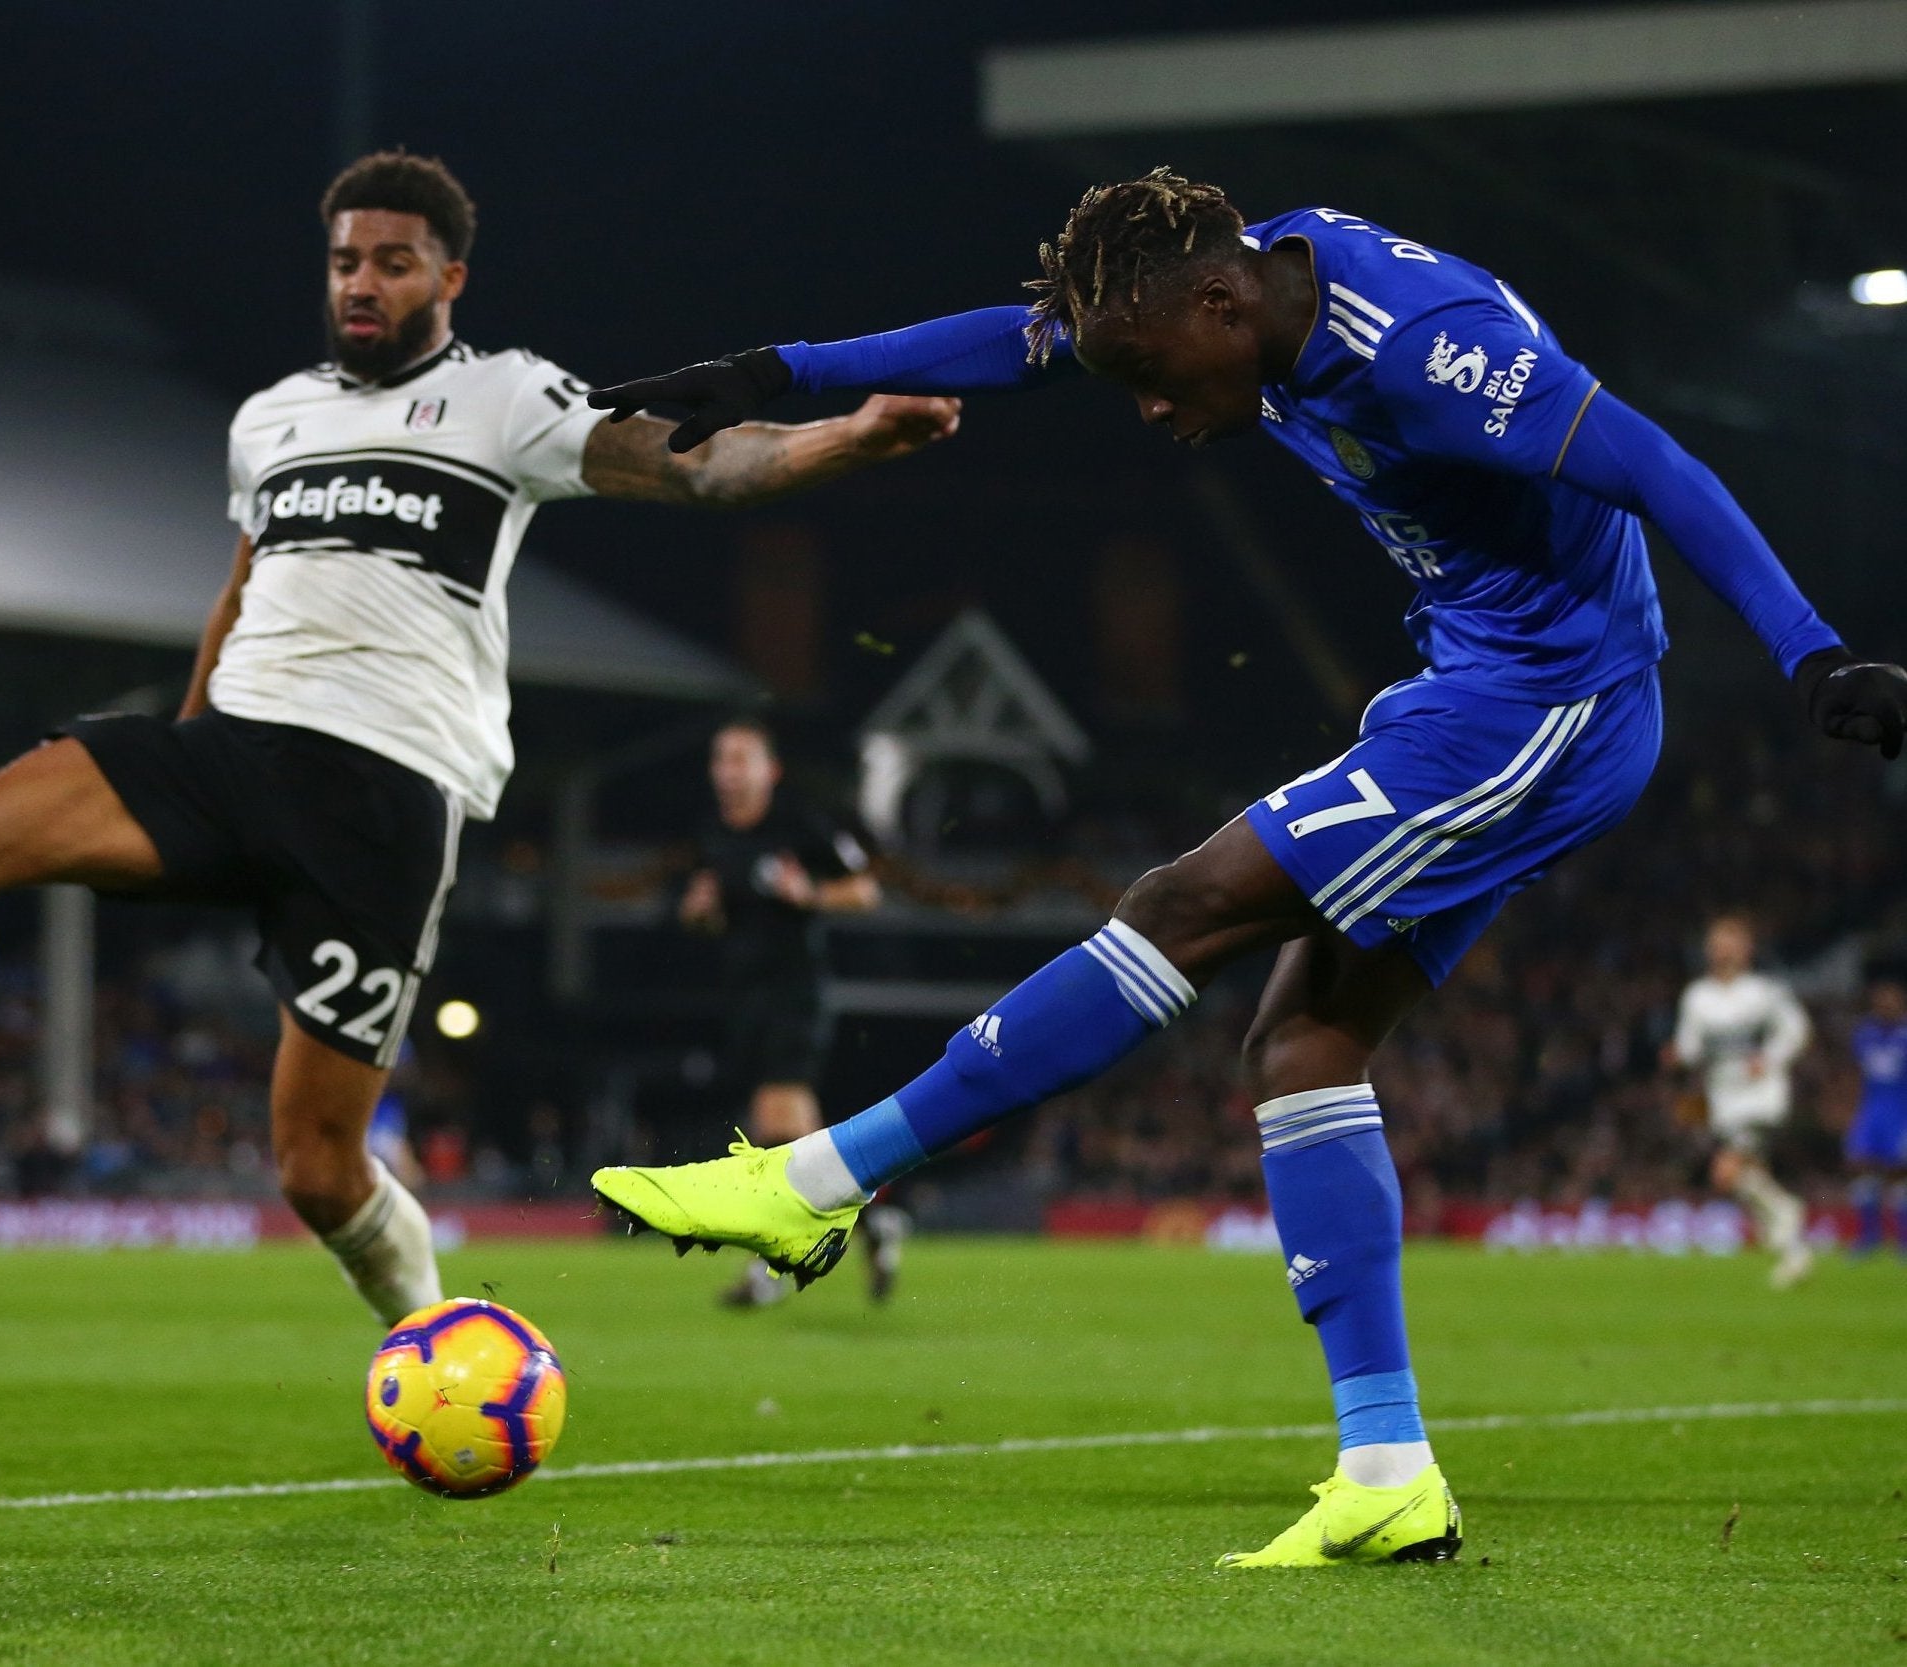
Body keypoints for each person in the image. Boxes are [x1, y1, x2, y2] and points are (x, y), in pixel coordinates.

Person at [584, 167, 1907, 1568]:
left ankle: (817, 1182)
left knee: (1181, 902)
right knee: (1301, 1046)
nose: (1150, 411)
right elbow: (1016, 340)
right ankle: (1387, 1466)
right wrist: (767, 370)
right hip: (1473, 677)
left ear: (1217, 303)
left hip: (1545, 704)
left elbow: (1650, 463)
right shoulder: (1237, 284)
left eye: (1151, 375)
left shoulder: (1425, 354)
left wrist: (1808, 650)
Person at [0, 150, 960, 1324]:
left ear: (448, 276)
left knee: (314, 1164)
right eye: (345, 258)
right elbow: (241, 586)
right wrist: (188, 752)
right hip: (236, 746)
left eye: (392, 260)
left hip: (385, 792)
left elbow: (692, 464)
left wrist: (845, 438)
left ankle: (435, 1333)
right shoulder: (271, 418)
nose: (362, 280)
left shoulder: (504, 398)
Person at [678, 717, 899, 1306]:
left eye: (741, 759)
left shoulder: (798, 826)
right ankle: (875, 1222)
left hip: (795, 993)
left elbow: (865, 891)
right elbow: (716, 912)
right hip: (744, 998)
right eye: (721, 759)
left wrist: (813, 894)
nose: (729, 771)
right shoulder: (714, 834)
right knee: (795, 1139)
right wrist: (701, 910)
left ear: (769, 771)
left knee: (775, 1136)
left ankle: (770, 1269)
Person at [1665, 914, 1813, 1287]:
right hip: (1723, 1099)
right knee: (1748, 1179)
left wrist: (1771, 1058)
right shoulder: (1697, 996)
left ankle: (1787, 1218)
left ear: (1747, 950)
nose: (1723, 950)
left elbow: (1797, 1030)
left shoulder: (1765, 992)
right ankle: (1791, 1248)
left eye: (1731, 942)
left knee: (1725, 1172)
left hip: (1762, 1096)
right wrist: (1677, 1056)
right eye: (1717, 943)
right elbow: (1691, 1046)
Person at [1844, 968, 1907, 1254]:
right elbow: (1856, 1074)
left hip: (1901, 1111)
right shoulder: (1864, 1034)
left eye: (1891, 999)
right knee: (1862, 1168)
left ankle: (1903, 1241)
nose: (1885, 1004)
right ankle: (1869, 1237)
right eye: (1880, 999)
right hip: (1871, 1111)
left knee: (1899, 1174)